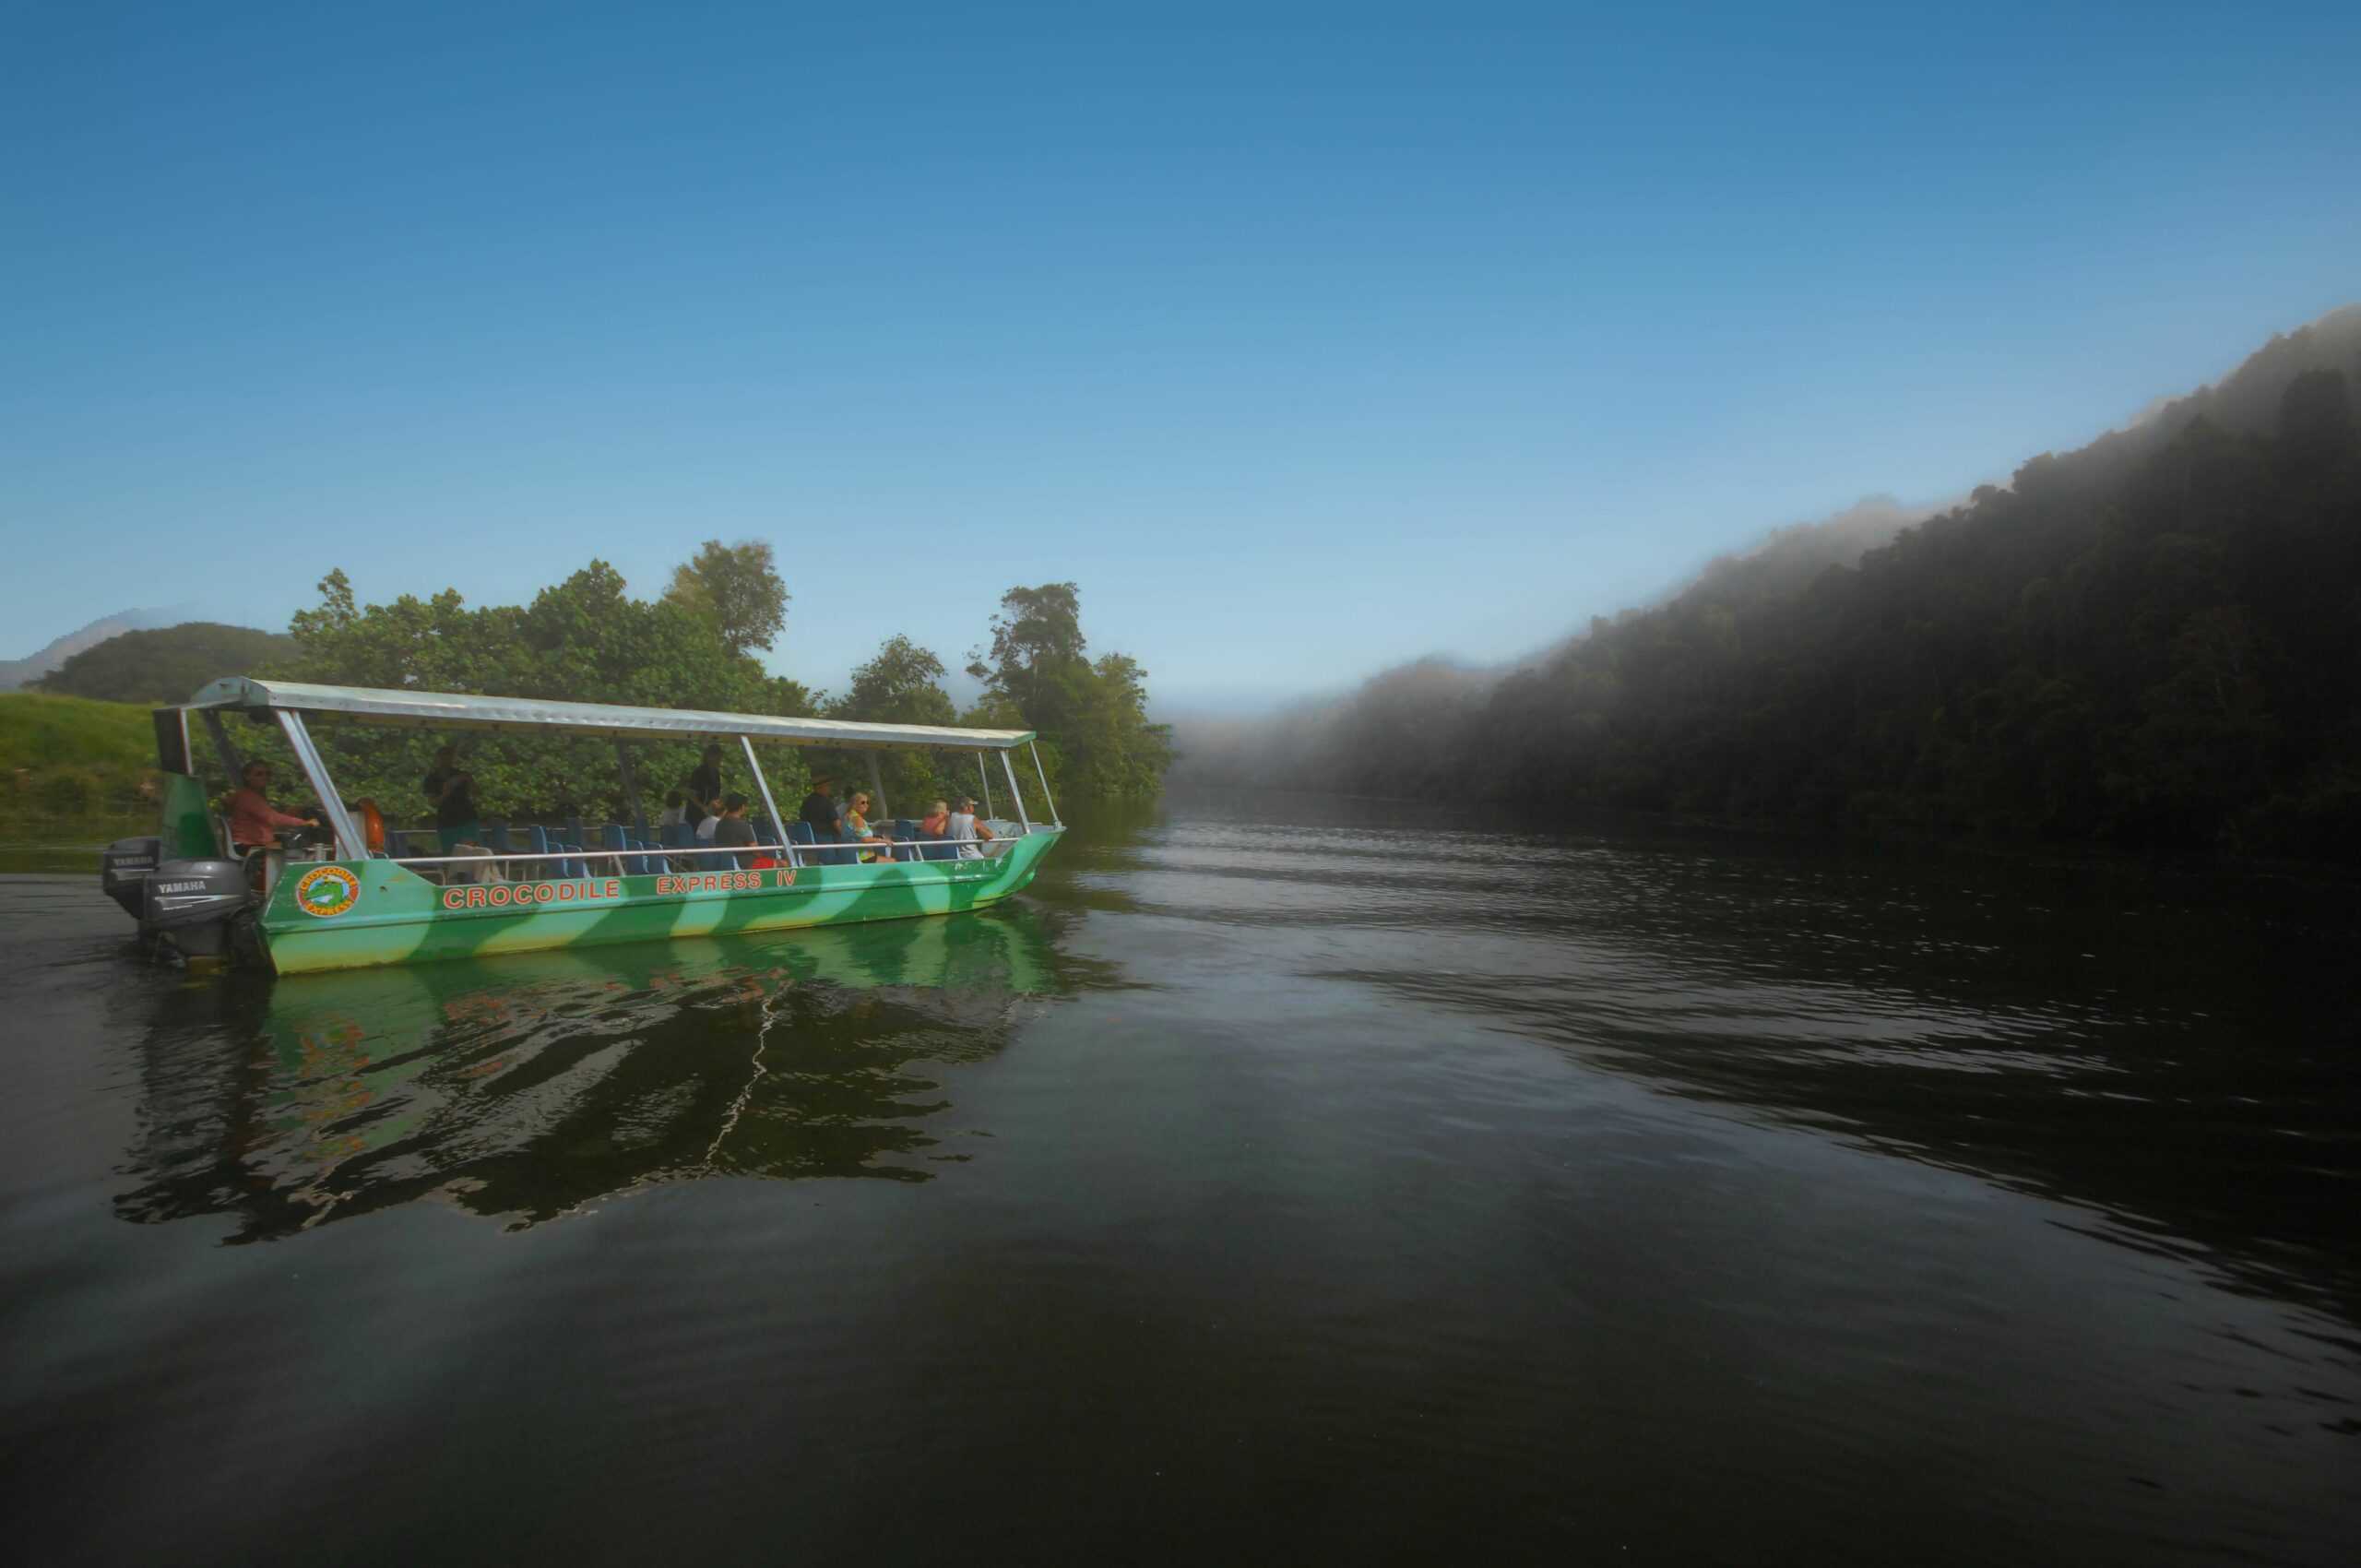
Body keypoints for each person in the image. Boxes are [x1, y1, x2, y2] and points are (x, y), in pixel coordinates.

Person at [229, 761, 320, 851]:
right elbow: (273, 818)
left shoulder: (257, 796)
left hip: (255, 844)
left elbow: (272, 817)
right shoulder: (248, 797)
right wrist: (303, 822)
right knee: (299, 851)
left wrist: (298, 809)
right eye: (258, 774)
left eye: (268, 774)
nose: (264, 777)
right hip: (247, 846)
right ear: (247, 776)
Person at [421, 746, 481, 853]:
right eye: (442, 759)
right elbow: (434, 803)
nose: (445, 762)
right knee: (451, 855)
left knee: (469, 850)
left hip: (467, 818)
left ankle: (470, 868)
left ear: (452, 759)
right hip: (446, 821)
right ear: (437, 759)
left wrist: (468, 780)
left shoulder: (462, 774)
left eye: (448, 758)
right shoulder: (430, 780)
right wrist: (448, 790)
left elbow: (477, 793)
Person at [841, 790, 896, 862]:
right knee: (894, 861)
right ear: (854, 804)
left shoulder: (847, 816)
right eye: (863, 803)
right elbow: (865, 839)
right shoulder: (857, 818)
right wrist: (883, 840)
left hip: (850, 856)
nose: (866, 805)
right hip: (863, 857)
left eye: (867, 802)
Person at [682, 745, 725, 830]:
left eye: (719, 758)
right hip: (696, 814)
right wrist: (702, 807)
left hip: (710, 813)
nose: (718, 761)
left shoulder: (716, 773)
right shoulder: (699, 773)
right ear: (708, 757)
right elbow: (691, 794)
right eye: (715, 758)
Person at [944, 796, 994, 861]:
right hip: (971, 856)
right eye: (973, 806)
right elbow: (989, 836)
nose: (973, 808)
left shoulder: (949, 817)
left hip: (954, 855)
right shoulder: (972, 819)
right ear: (968, 807)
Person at [797, 772, 843, 841]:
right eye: (829, 786)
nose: (830, 788)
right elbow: (837, 825)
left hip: (808, 841)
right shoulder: (826, 803)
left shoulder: (806, 802)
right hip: (827, 841)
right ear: (822, 787)